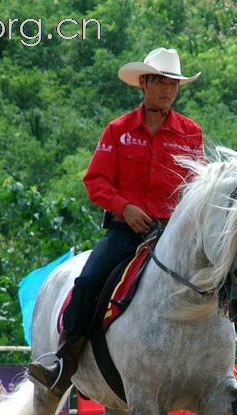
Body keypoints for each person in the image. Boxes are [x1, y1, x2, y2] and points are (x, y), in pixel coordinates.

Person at [28, 47, 204, 394]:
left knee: (217, 278)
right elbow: (95, 181)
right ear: (144, 83)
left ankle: (222, 367)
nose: (169, 90)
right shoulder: (118, 130)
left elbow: (197, 186)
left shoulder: (190, 133)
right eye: (161, 82)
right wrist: (125, 208)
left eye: (174, 84)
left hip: (173, 232)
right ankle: (64, 360)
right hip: (126, 231)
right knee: (90, 278)